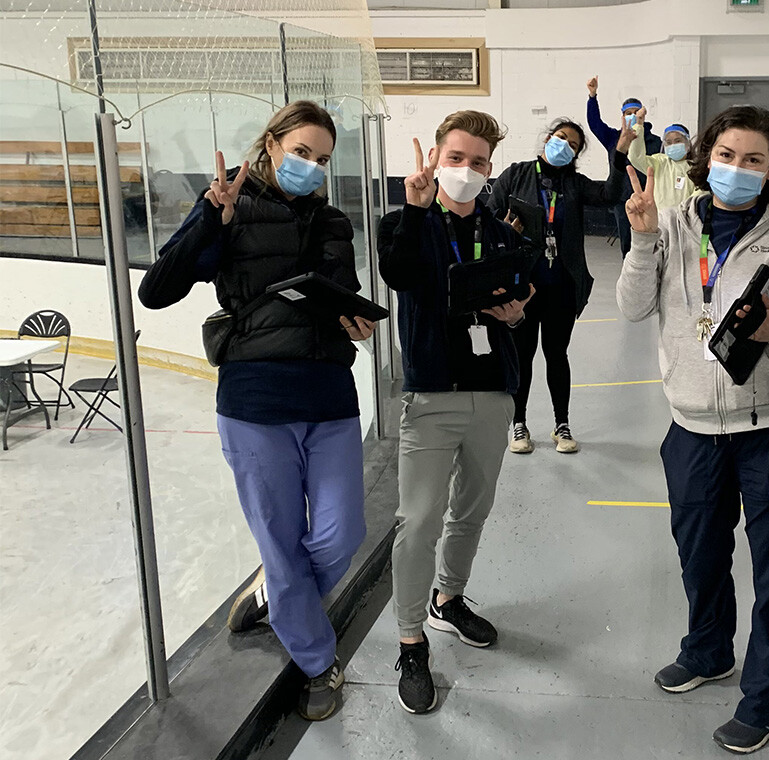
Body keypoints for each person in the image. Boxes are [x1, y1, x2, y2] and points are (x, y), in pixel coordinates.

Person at [137, 100, 374, 721]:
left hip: (328, 396)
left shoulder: (332, 222)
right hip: (254, 399)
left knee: (339, 534)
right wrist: (206, 222)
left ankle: (275, 592)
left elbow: (337, 294)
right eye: (301, 152)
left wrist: (354, 320)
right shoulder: (227, 208)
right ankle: (319, 662)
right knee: (279, 537)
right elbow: (156, 292)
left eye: (322, 159)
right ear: (270, 145)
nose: (312, 166)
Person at [616, 105, 769, 755]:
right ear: (707, 158)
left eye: (755, 159)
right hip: (691, 426)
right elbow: (631, 306)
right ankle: (708, 651)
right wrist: (644, 237)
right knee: (700, 555)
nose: (738, 169)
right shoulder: (674, 225)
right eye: (728, 155)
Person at [377, 110, 533, 715]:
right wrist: (417, 210)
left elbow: (525, 295)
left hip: (493, 391)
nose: (466, 171)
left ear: (490, 169)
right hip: (433, 395)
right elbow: (399, 273)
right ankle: (411, 639)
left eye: (478, 162)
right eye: (456, 158)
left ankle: (450, 600)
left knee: (472, 509)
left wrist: (517, 315)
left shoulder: (502, 233)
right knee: (418, 521)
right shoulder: (406, 224)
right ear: (436, 158)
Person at [488, 117, 627, 454]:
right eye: (562, 138)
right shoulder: (516, 174)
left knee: (556, 355)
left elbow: (611, 193)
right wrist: (506, 229)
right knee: (522, 355)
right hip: (523, 287)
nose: (565, 145)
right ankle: (519, 423)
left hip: (561, 286)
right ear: (549, 138)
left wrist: (619, 152)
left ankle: (561, 425)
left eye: (574, 145)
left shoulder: (574, 184)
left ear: (576, 154)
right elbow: (491, 216)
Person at [586, 75, 661, 257]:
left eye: (636, 112)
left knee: (649, 241)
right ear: (622, 116)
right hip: (621, 200)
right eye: (628, 113)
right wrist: (592, 96)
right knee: (627, 243)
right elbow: (595, 124)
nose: (633, 117)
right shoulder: (613, 138)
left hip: (647, 198)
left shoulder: (655, 141)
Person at [626, 106, 695, 209]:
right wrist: (639, 126)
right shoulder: (659, 163)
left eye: (677, 141)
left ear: (688, 143)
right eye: (668, 142)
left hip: (685, 221)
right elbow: (635, 157)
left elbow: (699, 196)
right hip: (658, 220)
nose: (673, 145)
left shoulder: (695, 168)